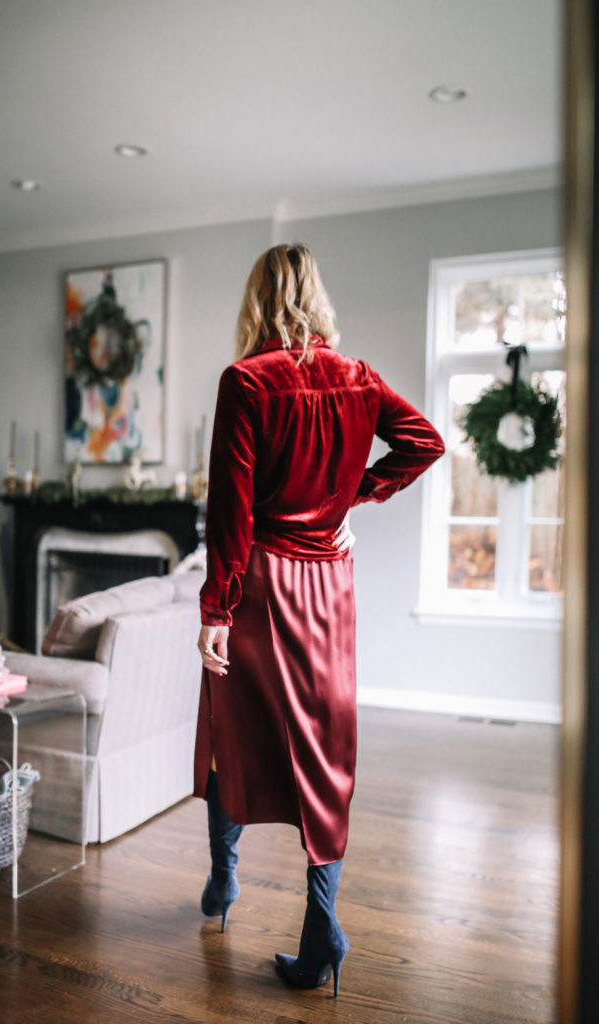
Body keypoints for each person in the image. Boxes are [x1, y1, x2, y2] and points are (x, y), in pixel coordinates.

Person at [193, 243, 444, 996]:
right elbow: (425, 443)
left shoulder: (245, 381)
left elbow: (229, 514)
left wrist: (215, 608)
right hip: (330, 582)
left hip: (263, 584)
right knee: (325, 746)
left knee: (230, 731)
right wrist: (350, 498)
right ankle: (319, 928)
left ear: (255, 301)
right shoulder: (357, 377)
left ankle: (223, 884)